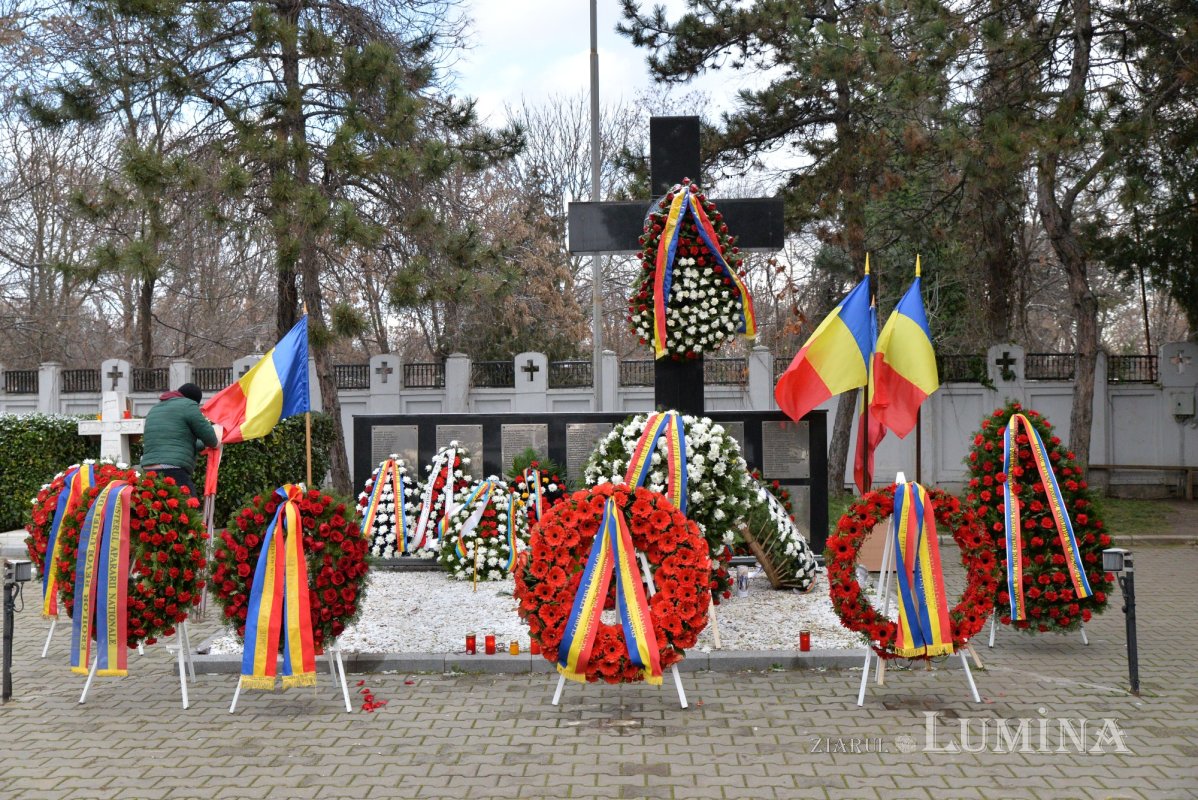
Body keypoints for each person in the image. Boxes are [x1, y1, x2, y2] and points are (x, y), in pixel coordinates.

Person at [140, 382, 221, 497]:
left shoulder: (155, 408)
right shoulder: (188, 405)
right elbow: (211, 439)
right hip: (172, 469)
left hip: (148, 470)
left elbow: (178, 442)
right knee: (190, 509)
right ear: (195, 401)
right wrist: (217, 438)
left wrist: (202, 445)